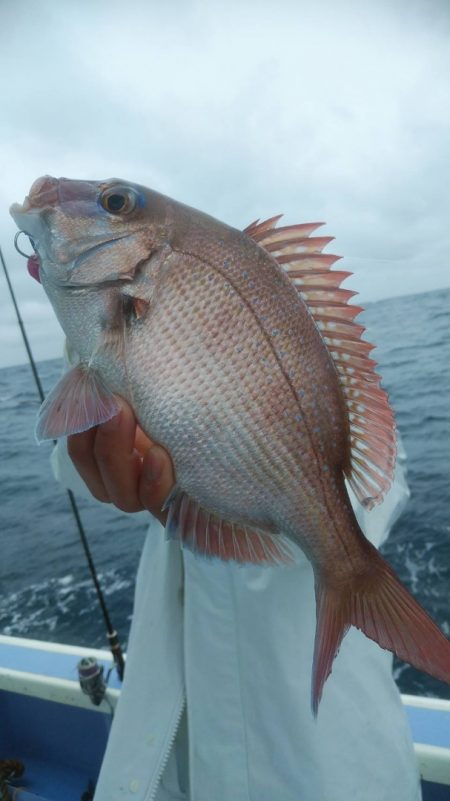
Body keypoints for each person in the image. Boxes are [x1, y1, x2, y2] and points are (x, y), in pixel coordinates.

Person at [52, 397, 422, 801]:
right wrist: (96, 423)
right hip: (167, 746)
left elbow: (380, 488)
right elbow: (74, 462)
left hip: (328, 766)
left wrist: (282, 482)